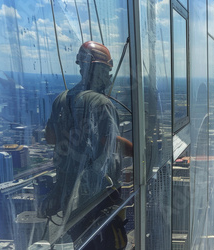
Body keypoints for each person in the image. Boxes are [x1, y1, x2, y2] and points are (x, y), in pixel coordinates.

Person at [41, 41, 130, 249]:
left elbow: (50, 138)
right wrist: (142, 151)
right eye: (107, 70)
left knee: (80, 241)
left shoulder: (61, 99)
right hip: (97, 197)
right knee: (107, 241)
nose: (109, 76)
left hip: (68, 195)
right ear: (96, 69)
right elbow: (111, 143)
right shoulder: (102, 103)